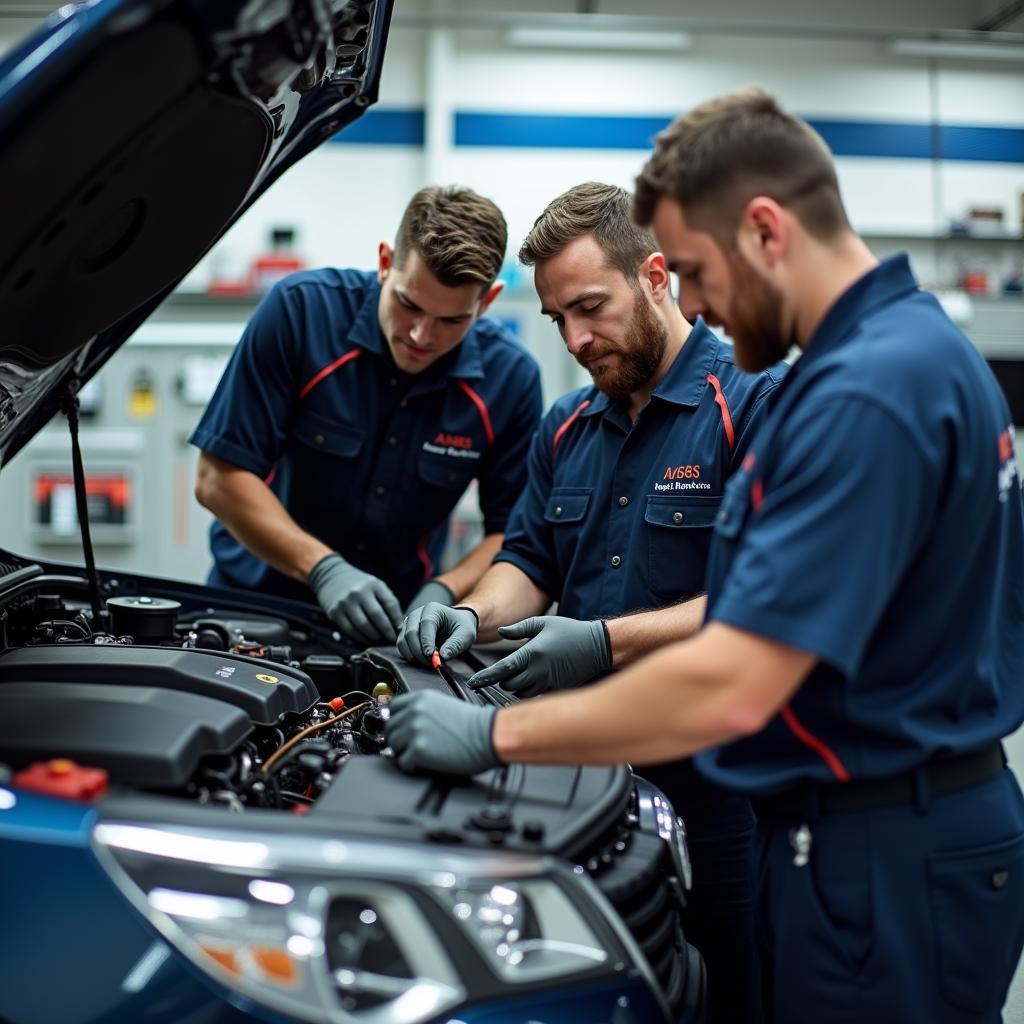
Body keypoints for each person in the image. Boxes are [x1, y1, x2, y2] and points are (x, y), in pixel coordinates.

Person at [386, 90, 1024, 1024]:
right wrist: (473, 610)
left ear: (763, 229)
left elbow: (734, 671)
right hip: (849, 821)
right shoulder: (915, 354)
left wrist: (497, 733)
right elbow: (539, 557)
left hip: (880, 832)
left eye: (689, 270)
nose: (690, 302)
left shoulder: (866, 390)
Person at [398, 181, 784, 1023]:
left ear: (655, 275)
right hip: (578, 790)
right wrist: (473, 613)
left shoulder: (752, 405)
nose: (576, 339)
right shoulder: (568, 424)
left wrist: (605, 642)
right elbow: (528, 559)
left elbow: (765, 597)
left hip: (719, 798)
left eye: (591, 308)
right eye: (557, 320)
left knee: (733, 1000)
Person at [190, 186, 542, 644]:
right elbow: (218, 477)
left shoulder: (509, 379)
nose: (421, 335)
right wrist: (323, 568)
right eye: (409, 303)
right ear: (384, 262)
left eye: (451, 320)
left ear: (488, 302)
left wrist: (446, 591)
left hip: (393, 632)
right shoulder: (300, 313)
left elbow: (511, 535)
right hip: (253, 610)